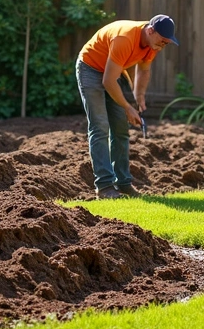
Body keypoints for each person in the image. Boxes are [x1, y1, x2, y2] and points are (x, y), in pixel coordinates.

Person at [76, 15, 177, 199]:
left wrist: (139, 96)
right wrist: (127, 107)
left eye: (167, 43)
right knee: (100, 126)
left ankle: (123, 184)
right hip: (90, 68)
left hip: (113, 72)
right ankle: (105, 187)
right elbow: (107, 81)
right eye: (162, 41)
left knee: (121, 128)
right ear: (150, 30)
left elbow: (144, 69)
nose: (163, 45)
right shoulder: (125, 39)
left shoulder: (152, 44)